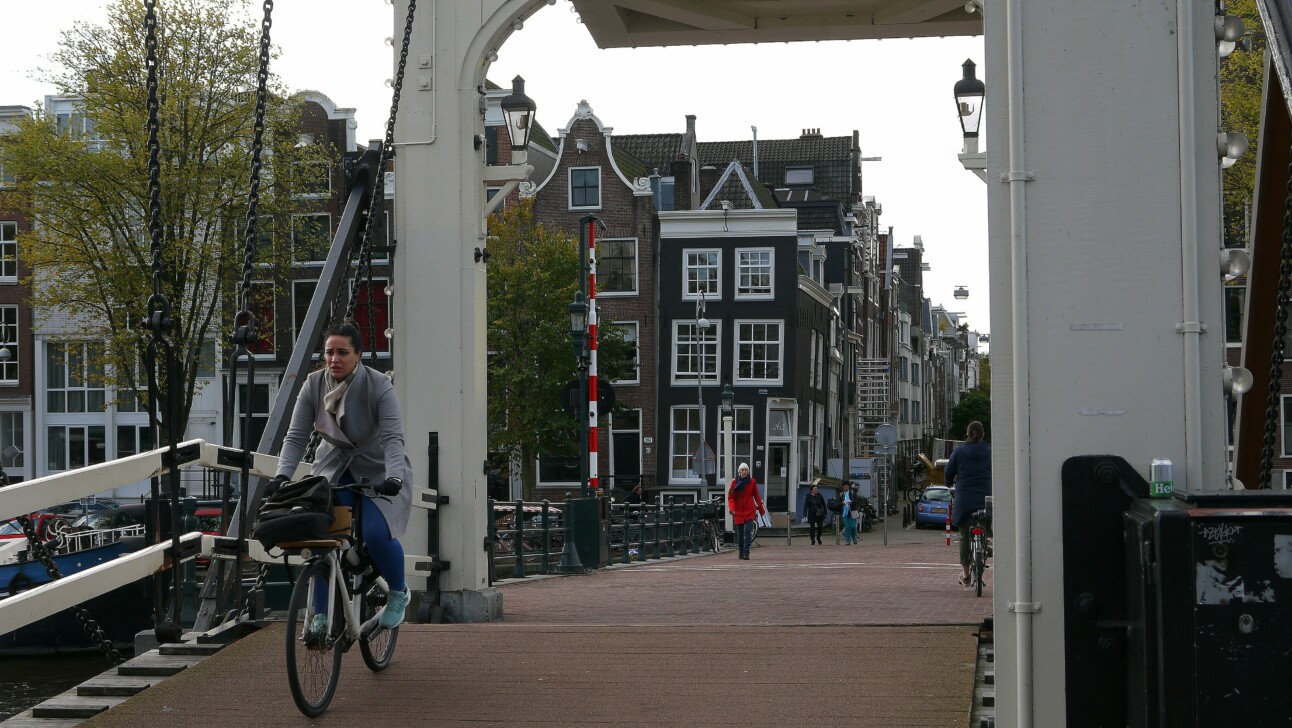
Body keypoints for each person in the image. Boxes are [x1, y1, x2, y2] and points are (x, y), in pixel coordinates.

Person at [270, 321, 415, 629]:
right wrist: (282, 475)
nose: (334, 359)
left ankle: (399, 593)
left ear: (358, 355)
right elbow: (295, 436)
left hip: (377, 468)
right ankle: (320, 615)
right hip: (333, 468)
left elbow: (392, 437)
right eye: (329, 352)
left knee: (376, 533)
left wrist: (395, 477)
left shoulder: (379, 385)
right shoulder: (313, 384)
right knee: (324, 537)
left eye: (343, 353)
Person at [945, 420, 992, 588]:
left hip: (964, 500)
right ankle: (985, 544)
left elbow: (948, 474)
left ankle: (966, 575)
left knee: (965, 536)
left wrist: (948, 482)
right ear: (983, 434)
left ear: (967, 433)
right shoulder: (989, 452)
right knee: (986, 527)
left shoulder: (959, 452)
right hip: (985, 498)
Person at [726, 462, 766, 560]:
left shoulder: (752, 482)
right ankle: (740, 552)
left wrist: (762, 511)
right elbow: (731, 497)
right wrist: (732, 509)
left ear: (747, 472)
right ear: (739, 471)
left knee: (747, 532)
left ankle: (746, 552)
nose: (744, 472)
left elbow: (757, 496)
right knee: (740, 534)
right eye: (742, 470)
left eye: (746, 470)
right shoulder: (734, 483)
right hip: (739, 511)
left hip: (749, 510)